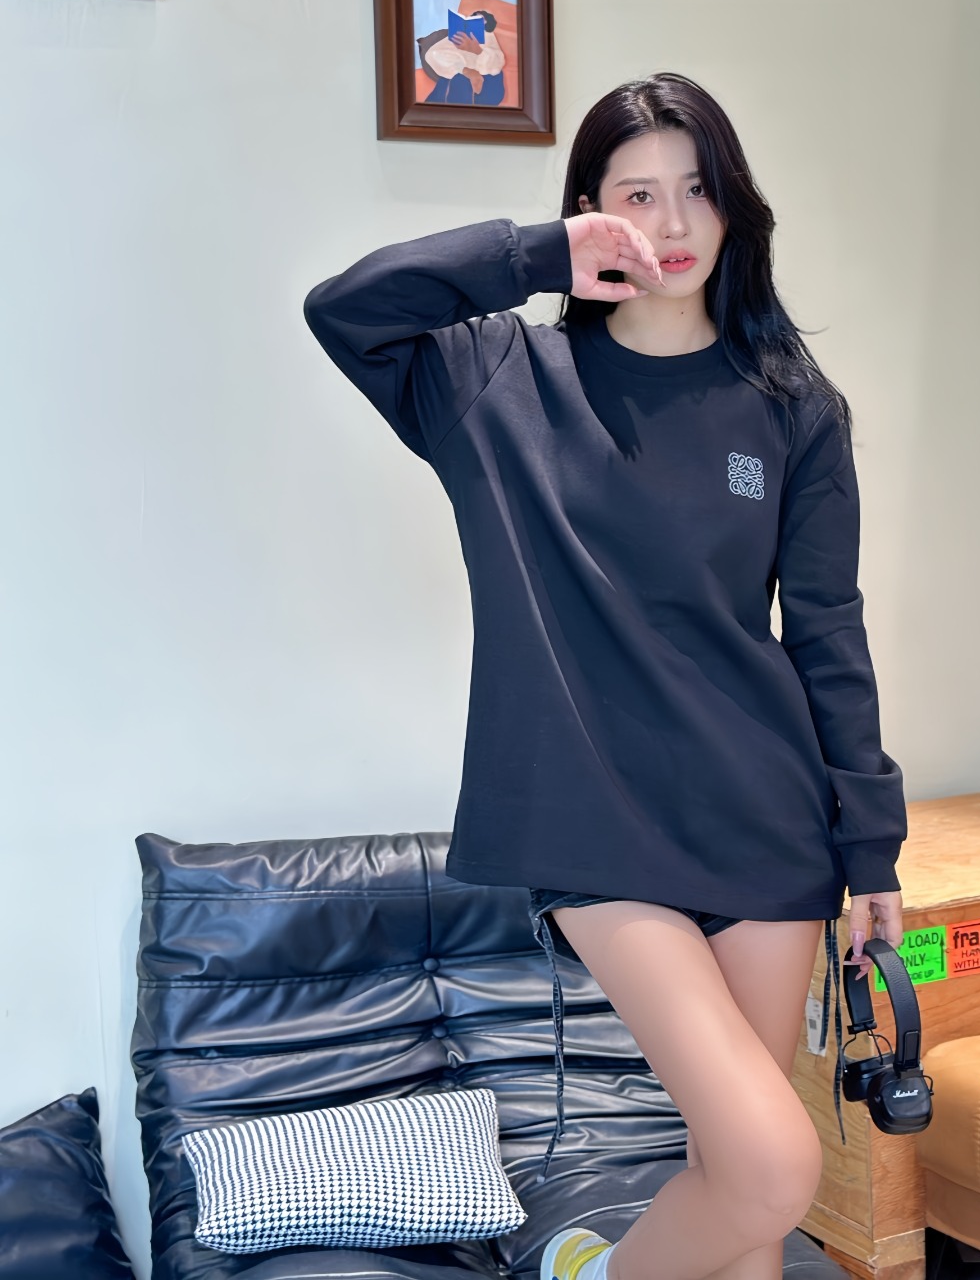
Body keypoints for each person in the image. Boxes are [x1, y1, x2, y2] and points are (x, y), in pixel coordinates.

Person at [303, 71, 907, 1280]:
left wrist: (872, 849)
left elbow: (827, 633)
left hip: (765, 821)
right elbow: (344, 308)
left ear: (734, 208)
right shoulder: (493, 378)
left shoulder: (794, 407)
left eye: (698, 190)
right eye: (638, 194)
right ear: (591, 209)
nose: (673, 224)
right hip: (593, 825)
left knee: (737, 1197)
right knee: (774, 1169)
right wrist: (536, 254)